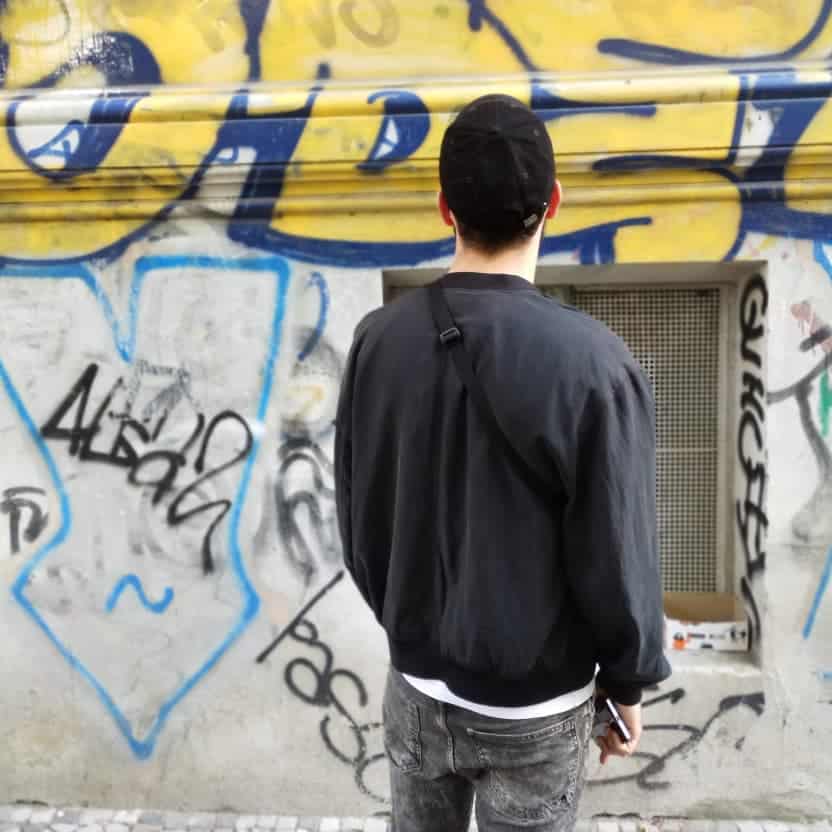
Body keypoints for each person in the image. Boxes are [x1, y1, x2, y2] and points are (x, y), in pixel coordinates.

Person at [334, 94, 671, 832]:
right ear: (553, 203)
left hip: (417, 686)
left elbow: (358, 520)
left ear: (444, 209)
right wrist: (628, 682)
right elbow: (619, 551)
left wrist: (410, 627)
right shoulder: (593, 364)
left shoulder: (376, 342)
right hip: (538, 710)